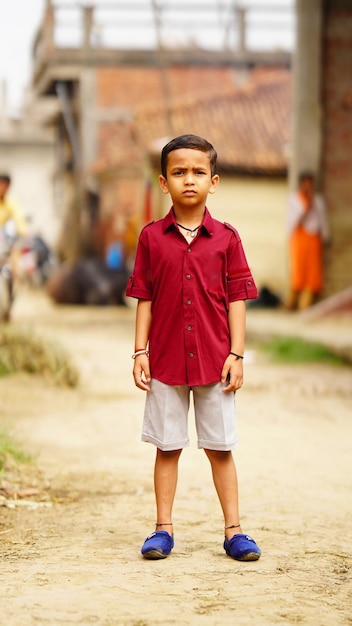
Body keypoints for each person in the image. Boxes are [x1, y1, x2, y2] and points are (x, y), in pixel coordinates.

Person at [126, 134, 261, 562]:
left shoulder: (226, 238)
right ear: (163, 182)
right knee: (167, 447)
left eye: (198, 172)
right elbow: (144, 296)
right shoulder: (151, 238)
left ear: (214, 181)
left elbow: (237, 298)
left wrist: (236, 354)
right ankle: (162, 529)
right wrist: (139, 351)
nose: (189, 180)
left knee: (220, 448)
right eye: (179, 172)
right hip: (165, 361)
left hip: (215, 361)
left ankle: (234, 531)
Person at [286, 171, 330, 310]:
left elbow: (322, 220)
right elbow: (293, 221)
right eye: (306, 184)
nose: (308, 187)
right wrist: (307, 206)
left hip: (313, 239)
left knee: (312, 271)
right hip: (299, 239)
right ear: (301, 184)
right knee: (298, 270)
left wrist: (326, 236)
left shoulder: (318, 200)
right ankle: (292, 302)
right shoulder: (294, 199)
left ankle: (305, 304)